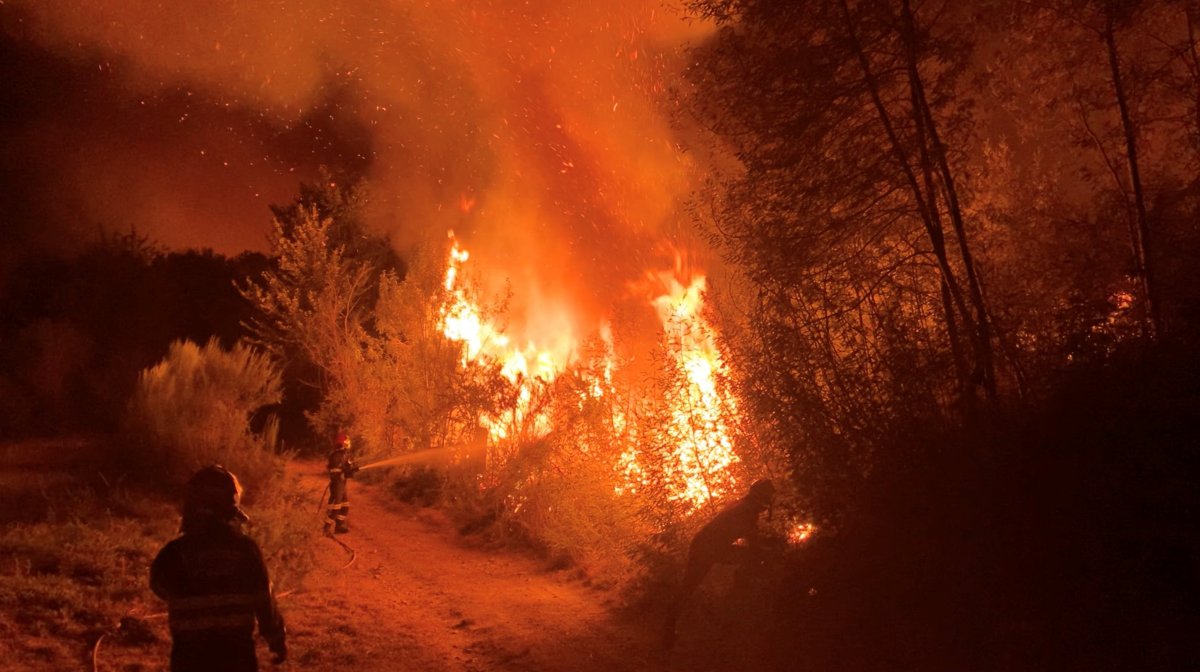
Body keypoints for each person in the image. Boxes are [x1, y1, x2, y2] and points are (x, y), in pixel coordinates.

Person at [150, 465, 287, 671]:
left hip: (189, 659)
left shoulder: (173, 553)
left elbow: (159, 587)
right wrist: (276, 638)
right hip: (237, 658)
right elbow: (263, 600)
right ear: (232, 507)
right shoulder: (246, 550)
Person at [662, 478, 777, 649]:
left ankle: (669, 627)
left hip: (707, 545)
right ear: (763, 497)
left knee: (688, 586)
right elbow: (754, 544)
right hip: (708, 549)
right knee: (689, 587)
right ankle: (737, 598)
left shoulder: (741, 504)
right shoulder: (748, 512)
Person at [325, 431, 359, 534]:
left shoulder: (344, 454)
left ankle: (339, 525)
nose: (348, 442)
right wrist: (345, 470)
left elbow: (346, 469)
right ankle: (326, 528)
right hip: (337, 484)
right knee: (335, 507)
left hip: (342, 483)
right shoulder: (335, 456)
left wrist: (351, 469)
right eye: (347, 440)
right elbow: (335, 471)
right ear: (342, 442)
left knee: (345, 506)